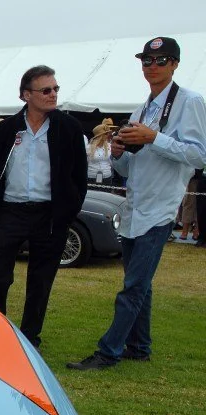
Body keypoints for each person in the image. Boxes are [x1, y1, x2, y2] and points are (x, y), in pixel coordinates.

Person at [69, 37, 206, 370]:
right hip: (135, 204)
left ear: (175, 64)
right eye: (147, 61)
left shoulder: (190, 102)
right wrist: (117, 154)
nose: (152, 67)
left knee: (133, 286)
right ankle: (139, 346)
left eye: (161, 61)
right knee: (138, 282)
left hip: (160, 207)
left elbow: (198, 154)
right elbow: (128, 168)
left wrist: (153, 138)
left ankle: (109, 351)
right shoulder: (142, 108)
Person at [0, 65, 87, 349]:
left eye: (55, 89)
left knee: (40, 281)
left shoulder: (69, 129)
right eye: (46, 90)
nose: (53, 95)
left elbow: (79, 177)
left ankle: (29, 339)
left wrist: (67, 212)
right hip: (11, 212)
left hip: (49, 215)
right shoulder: (6, 131)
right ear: (27, 95)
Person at [87, 118, 117, 185]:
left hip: (107, 176)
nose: (108, 135)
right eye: (106, 134)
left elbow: (112, 162)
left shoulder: (110, 146)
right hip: (92, 176)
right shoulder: (88, 147)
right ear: (100, 135)